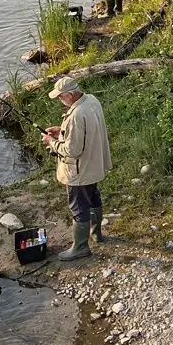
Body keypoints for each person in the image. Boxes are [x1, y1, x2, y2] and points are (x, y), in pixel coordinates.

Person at [41, 75, 112, 261]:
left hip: (79, 171)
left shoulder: (76, 114)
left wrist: (52, 142)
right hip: (94, 164)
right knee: (93, 196)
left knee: (79, 206)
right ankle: (97, 234)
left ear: (71, 95)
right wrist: (61, 131)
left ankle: (81, 248)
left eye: (61, 96)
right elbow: (85, 130)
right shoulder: (91, 101)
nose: (59, 99)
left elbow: (72, 150)